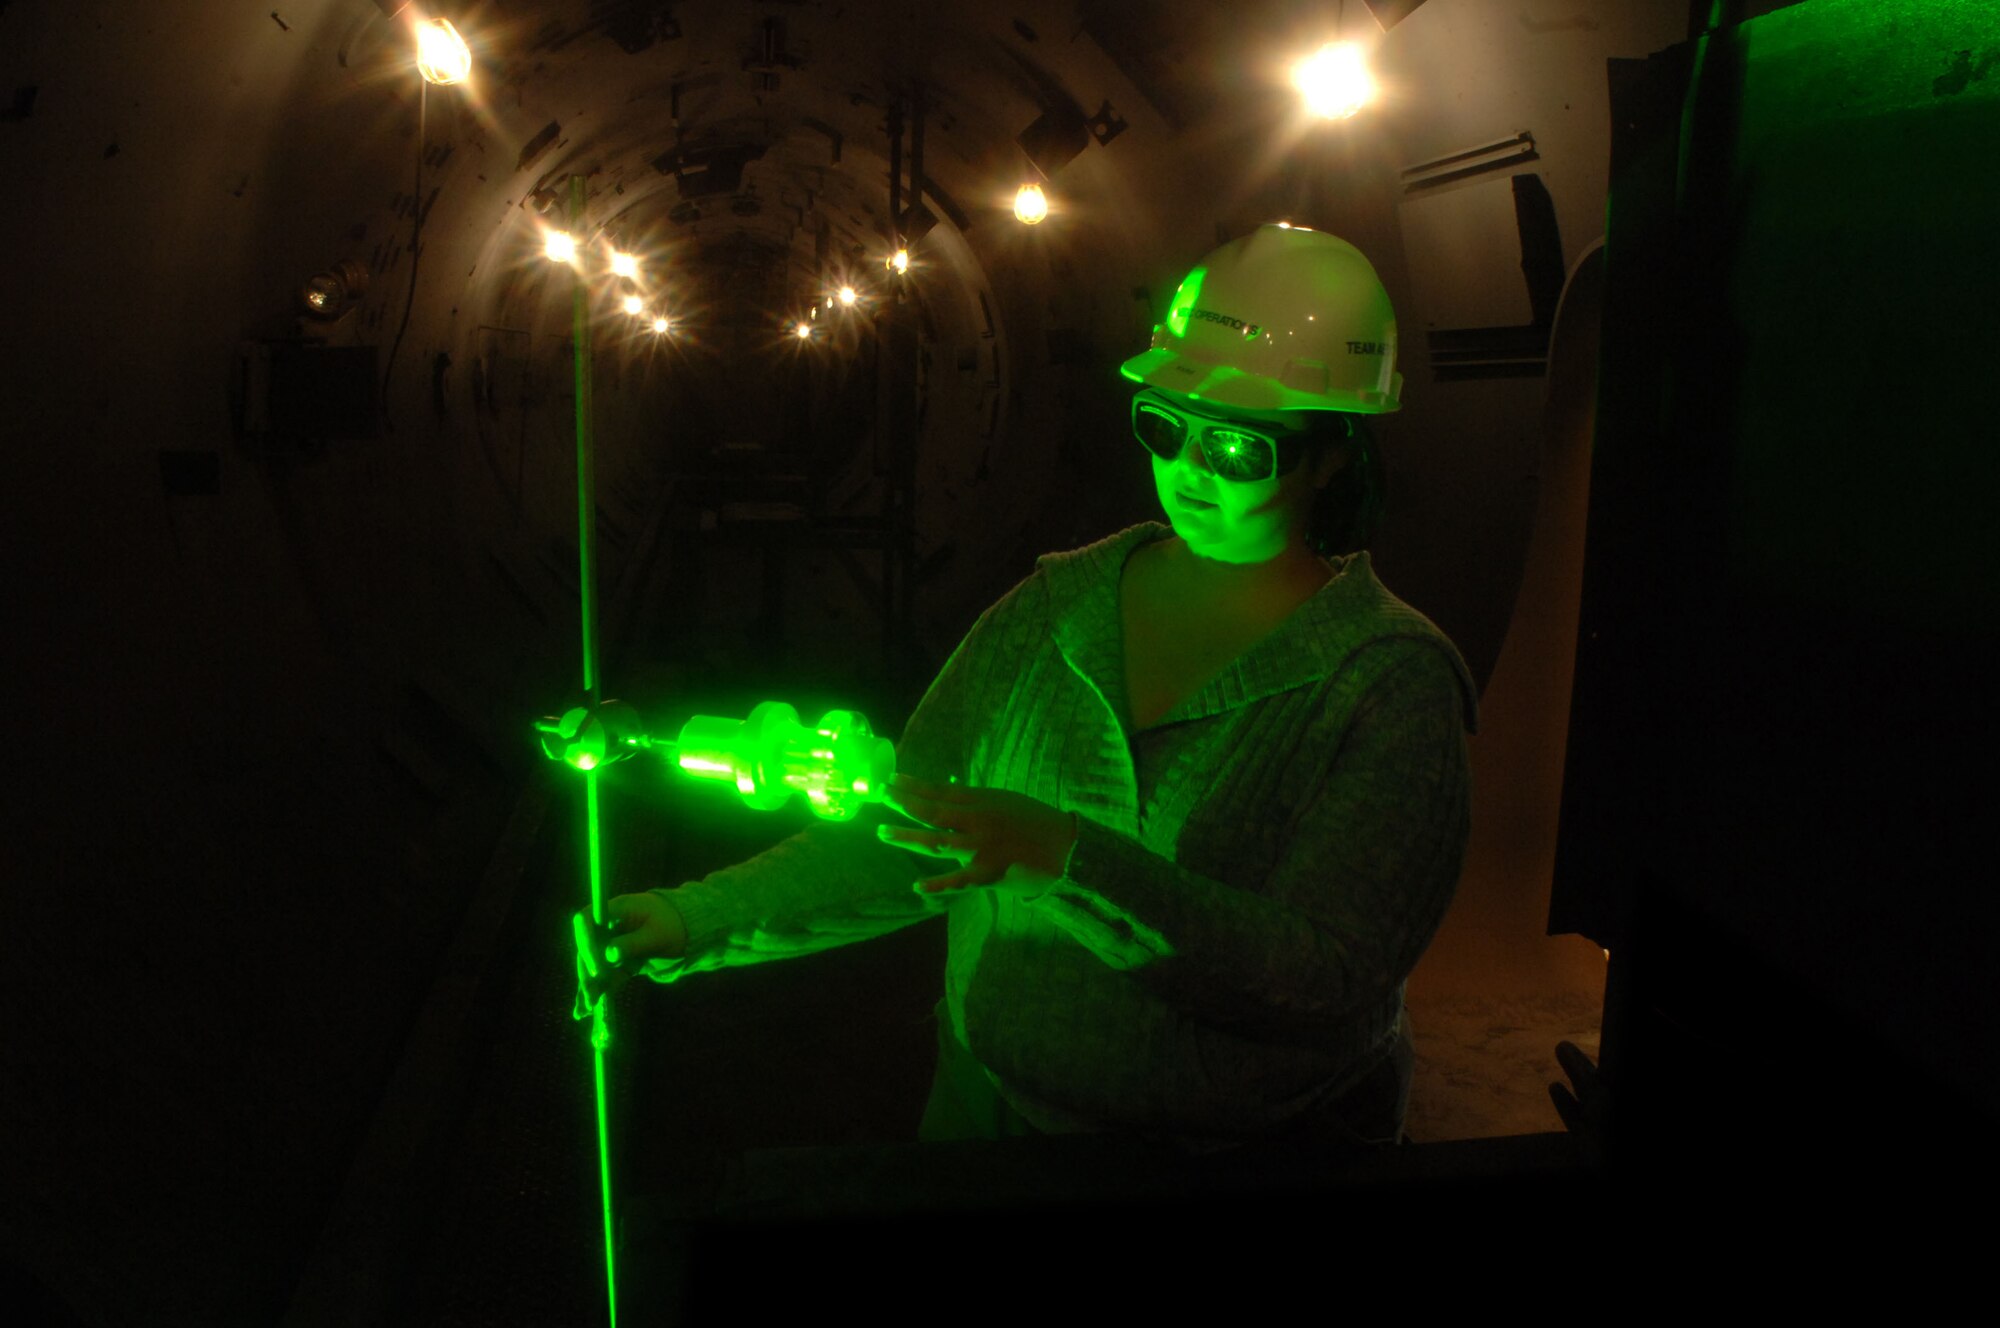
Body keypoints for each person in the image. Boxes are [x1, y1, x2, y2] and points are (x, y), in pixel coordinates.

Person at [598, 223, 1477, 1156]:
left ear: (1334, 453)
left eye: (1236, 449)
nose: (1187, 470)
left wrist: (1067, 861)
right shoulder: (1059, 608)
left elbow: (1328, 978)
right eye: (1164, 427)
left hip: (1246, 1169)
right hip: (985, 1125)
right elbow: (909, 832)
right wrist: (695, 919)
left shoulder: (1386, 682)